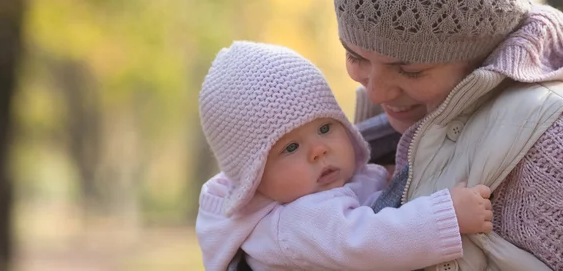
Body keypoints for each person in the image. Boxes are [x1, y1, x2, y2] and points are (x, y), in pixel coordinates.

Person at [333, 0, 563, 271]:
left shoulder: (554, 148)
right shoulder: (370, 137)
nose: (379, 90)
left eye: (410, 69)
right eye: (356, 57)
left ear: (480, 52)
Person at [196, 41, 494, 271]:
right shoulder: (290, 225)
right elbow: (368, 241)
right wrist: (447, 217)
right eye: (290, 147)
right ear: (253, 178)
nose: (318, 150)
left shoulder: (313, 190)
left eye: (325, 127)